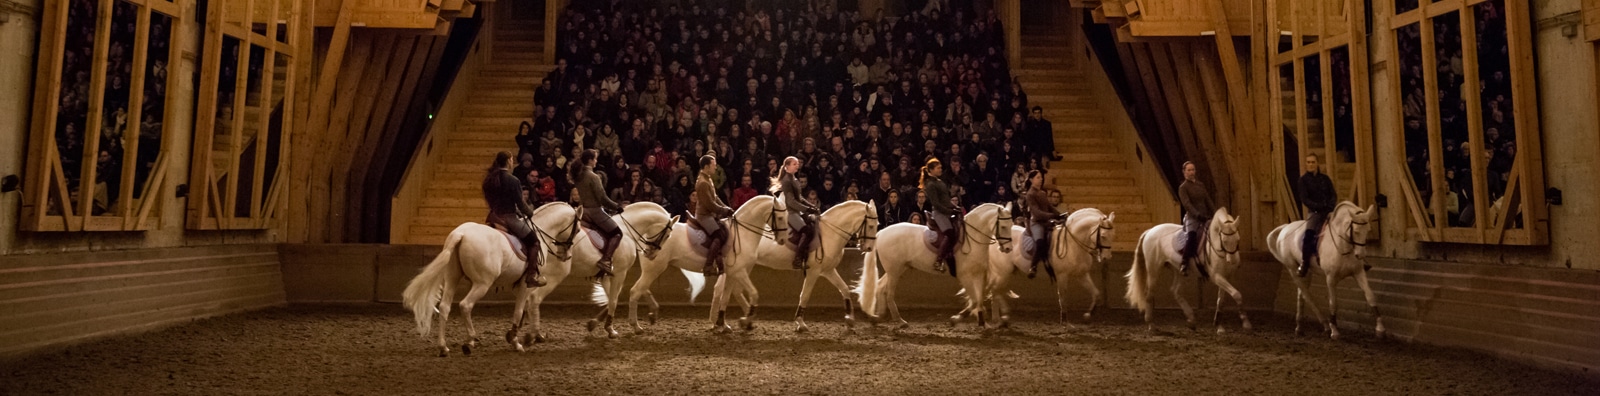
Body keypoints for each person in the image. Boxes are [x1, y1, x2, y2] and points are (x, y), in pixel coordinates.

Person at [482, 151, 545, 287]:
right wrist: (530, 213)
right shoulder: (513, 180)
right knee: (534, 242)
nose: (512, 162)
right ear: (509, 161)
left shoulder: (489, 179)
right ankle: (531, 276)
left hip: (493, 216)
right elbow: (521, 203)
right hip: (508, 218)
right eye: (511, 160)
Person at [571, 149, 622, 277]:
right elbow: (602, 198)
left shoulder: (579, 175)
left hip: (583, 210)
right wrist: (617, 207)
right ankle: (605, 260)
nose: (596, 161)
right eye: (595, 159)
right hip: (595, 211)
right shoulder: (593, 176)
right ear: (590, 160)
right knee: (617, 233)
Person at [772, 156, 819, 269]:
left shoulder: (794, 179)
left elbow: (800, 198)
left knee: (814, 223)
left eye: (797, 164)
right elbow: (791, 202)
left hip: (797, 211)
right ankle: (797, 259)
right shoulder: (787, 181)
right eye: (794, 164)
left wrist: (811, 206)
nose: (797, 166)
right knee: (807, 231)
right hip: (790, 212)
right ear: (787, 167)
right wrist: (807, 209)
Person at [694, 150, 735, 277]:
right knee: (720, 235)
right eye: (713, 165)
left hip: (710, 215)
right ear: (706, 167)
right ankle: (708, 265)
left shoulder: (708, 179)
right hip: (704, 216)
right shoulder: (703, 183)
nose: (715, 167)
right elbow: (709, 204)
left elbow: (715, 198)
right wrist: (723, 211)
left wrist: (726, 207)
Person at [1298, 154, 1337, 277]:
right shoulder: (1303, 180)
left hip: (1329, 211)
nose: (1310, 164)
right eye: (1308, 162)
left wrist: (1330, 207)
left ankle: (1358, 259)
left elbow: (1333, 195)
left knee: (1346, 227)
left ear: (1317, 163)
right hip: (1314, 212)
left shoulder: (1325, 178)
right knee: (1309, 234)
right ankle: (1305, 263)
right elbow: (1305, 199)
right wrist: (1318, 207)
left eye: (1313, 162)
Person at [921, 158, 958, 276]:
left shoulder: (939, 181)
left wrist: (955, 207)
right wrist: (949, 210)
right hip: (939, 213)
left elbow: (946, 200)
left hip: (946, 211)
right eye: (938, 168)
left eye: (941, 167)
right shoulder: (931, 184)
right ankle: (939, 260)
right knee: (950, 234)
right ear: (931, 170)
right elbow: (936, 203)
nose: (940, 169)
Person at [1023, 170, 1063, 279]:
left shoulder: (1042, 193)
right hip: (1037, 223)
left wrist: (1060, 215)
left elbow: (1050, 207)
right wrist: (1052, 216)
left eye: (1041, 177)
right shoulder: (1030, 194)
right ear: (1031, 180)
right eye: (1038, 177)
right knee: (1040, 243)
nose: (1041, 179)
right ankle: (1033, 266)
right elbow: (1036, 213)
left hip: (1046, 221)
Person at [1177, 161, 1214, 278]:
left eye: (1193, 170)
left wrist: (1215, 213)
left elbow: (1208, 200)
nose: (1191, 172)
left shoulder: (1200, 185)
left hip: (1205, 216)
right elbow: (1187, 205)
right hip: (1193, 218)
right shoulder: (1183, 188)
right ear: (1184, 172)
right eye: (1189, 170)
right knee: (1192, 236)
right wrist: (1198, 215)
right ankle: (1184, 262)